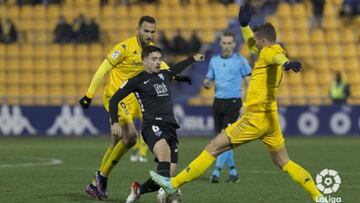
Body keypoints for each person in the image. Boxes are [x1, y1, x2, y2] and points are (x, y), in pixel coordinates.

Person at [149, 4, 326, 202]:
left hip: (255, 118)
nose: (253, 47)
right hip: (270, 118)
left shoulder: (269, 52)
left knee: (213, 147)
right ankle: (319, 197)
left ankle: (172, 183)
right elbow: (259, 48)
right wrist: (244, 26)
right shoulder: (269, 49)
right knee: (285, 162)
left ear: (264, 41)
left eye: (257, 42)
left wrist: (286, 63)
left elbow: (277, 57)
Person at [79, 15, 190, 200]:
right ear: (137, 29)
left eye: (152, 31)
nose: (149, 35)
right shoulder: (124, 47)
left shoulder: (150, 52)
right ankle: (101, 177)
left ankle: (96, 182)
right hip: (116, 94)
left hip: (134, 97)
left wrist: (177, 76)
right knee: (130, 137)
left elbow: (163, 67)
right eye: (146, 31)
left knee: (117, 142)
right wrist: (89, 94)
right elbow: (103, 68)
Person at [108, 45, 204, 202]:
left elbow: (175, 69)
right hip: (152, 126)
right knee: (164, 157)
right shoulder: (136, 81)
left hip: (170, 126)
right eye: (154, 59)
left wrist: (192, 58)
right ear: (144, 61)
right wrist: (115, 122)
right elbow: (114, 100)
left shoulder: (164, 75)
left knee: (167, 174)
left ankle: (138, 189)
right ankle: (168, 193)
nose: (158, 62)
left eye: (159, 59)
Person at [203, 31, 251, 184]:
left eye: (229, 43)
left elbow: (250, 82)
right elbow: (209, 79)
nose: (226, 46)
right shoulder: (214, 61)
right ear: (220, 44)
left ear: (234, 44)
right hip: (218, 102)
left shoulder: (240, 60)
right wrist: (206, 83)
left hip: (234, 103)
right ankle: (233, 172)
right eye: (224, 43)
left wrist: (247, 103)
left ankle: (216, 172)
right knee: (221, 139)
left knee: (223, 138)